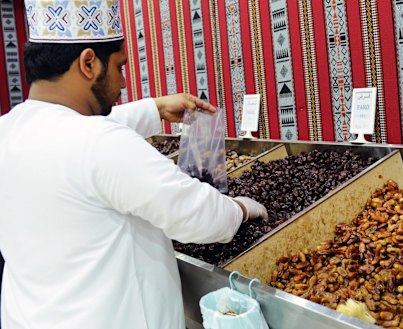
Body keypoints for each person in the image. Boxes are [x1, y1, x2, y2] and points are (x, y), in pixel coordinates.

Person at [0, 1, 268, 328]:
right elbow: (201, 216)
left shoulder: (9, 130)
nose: (124, 82)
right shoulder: (100, 143)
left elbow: (73, 134)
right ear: (88, 63)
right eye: (120, 67)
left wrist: (154, 109)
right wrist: (240, 208)